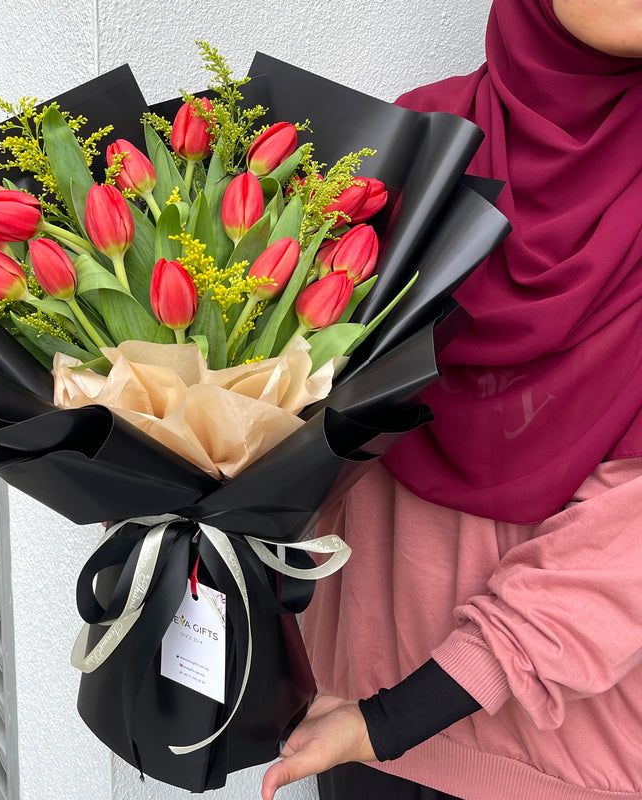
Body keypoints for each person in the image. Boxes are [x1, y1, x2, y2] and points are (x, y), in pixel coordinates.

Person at [261, 0, 642, 798]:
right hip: (357, 725)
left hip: (564, 760)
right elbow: (298, 407)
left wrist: (414, 709)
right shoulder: (415, 139)